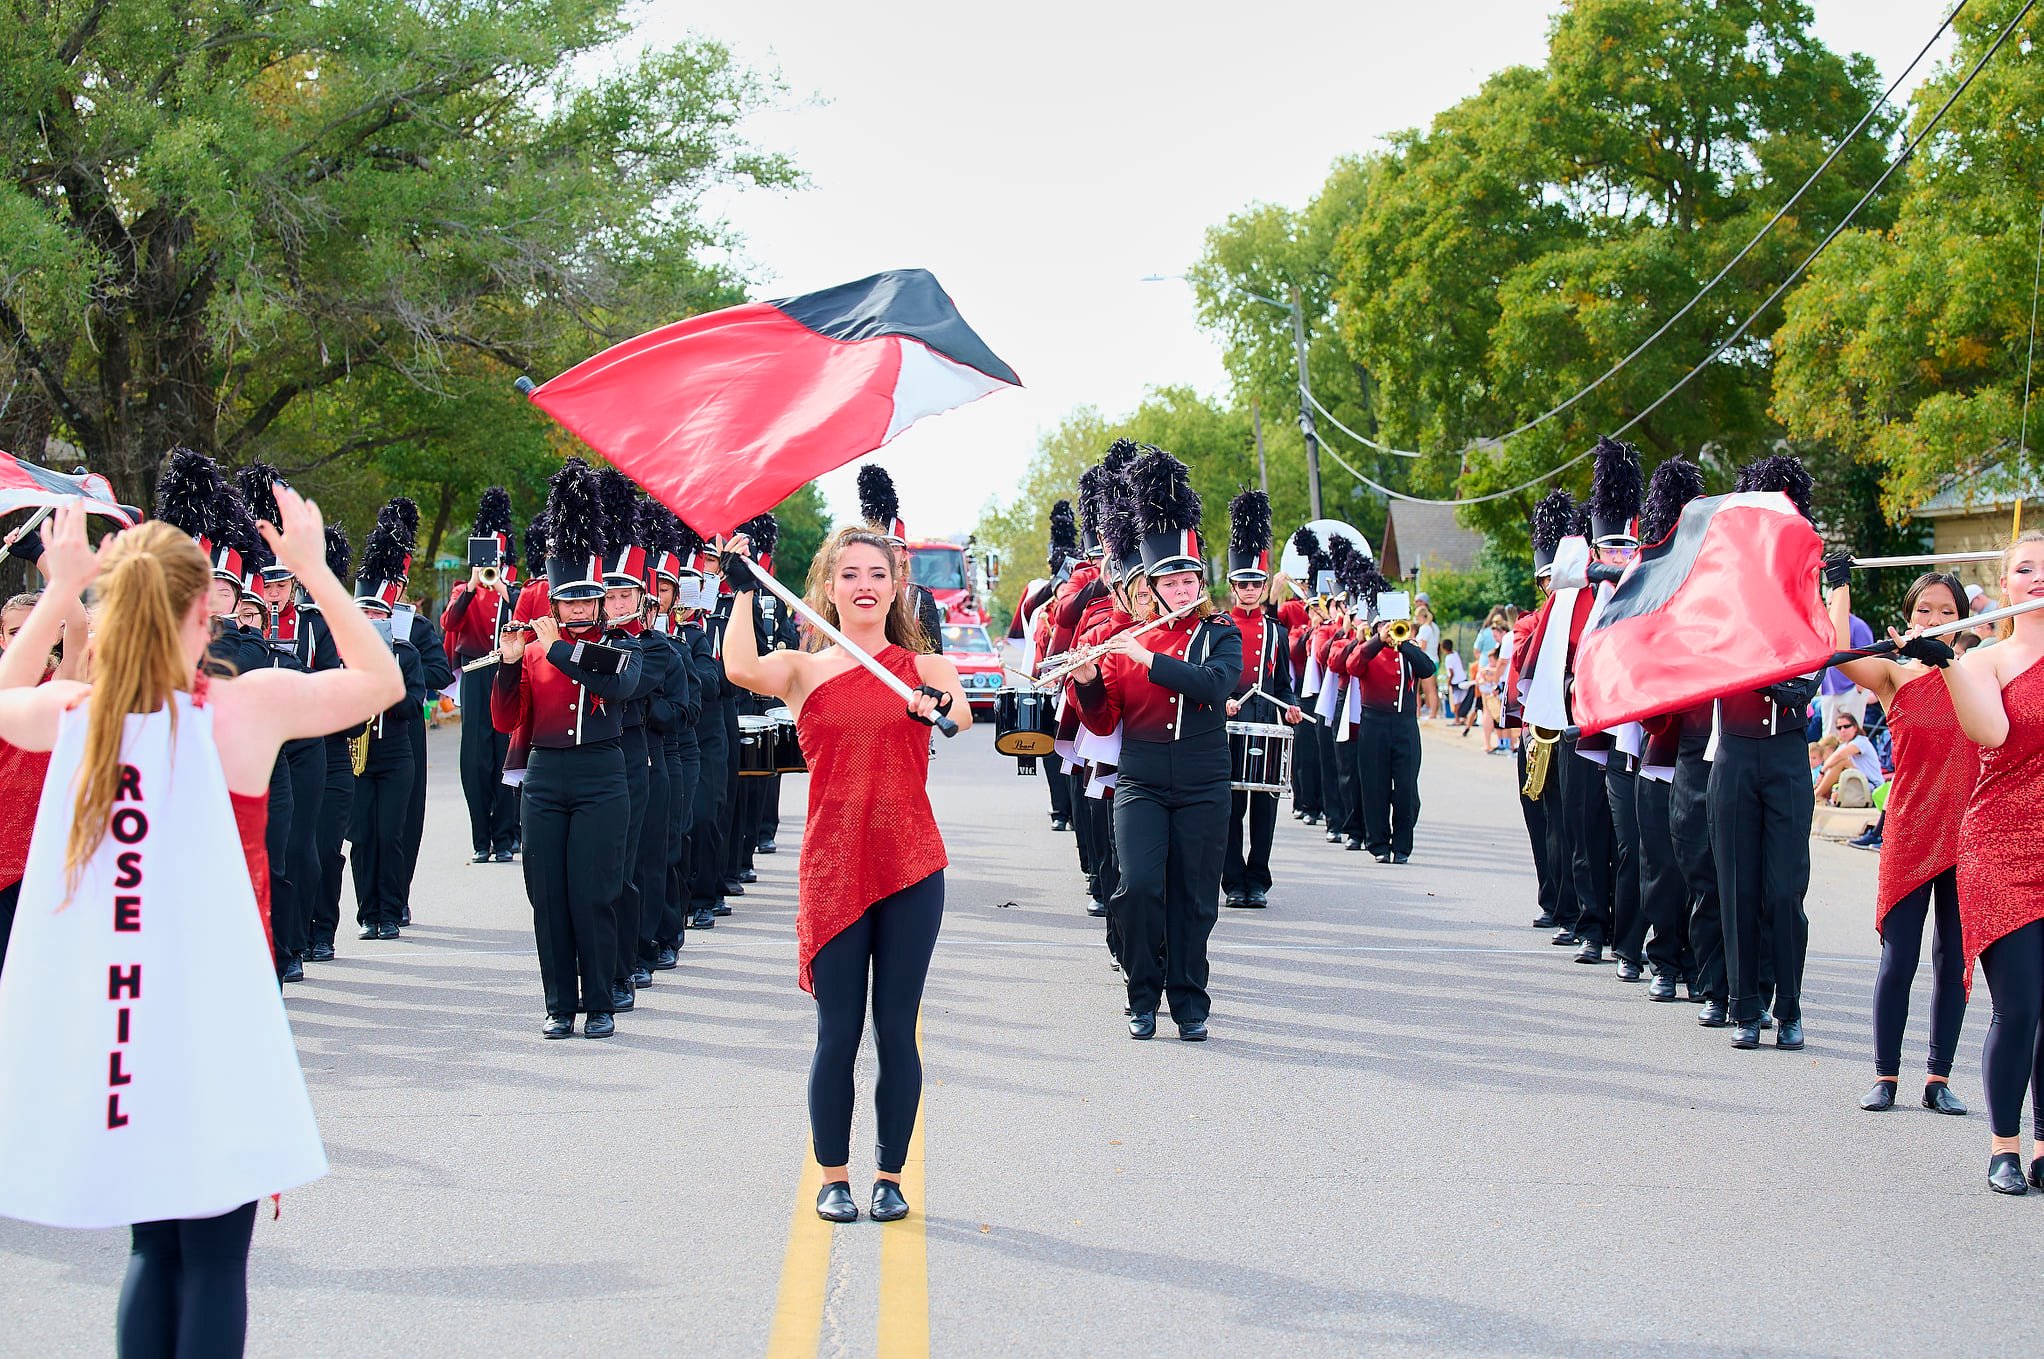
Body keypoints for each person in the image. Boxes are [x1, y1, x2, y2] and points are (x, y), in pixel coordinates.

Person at [0, 489, 400, 1359]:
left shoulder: (75, 716)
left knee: (154, 1244)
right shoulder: (242, 709)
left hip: (123, 1019)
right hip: (222, 1021)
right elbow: (383, 682)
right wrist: (314, 570)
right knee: (217, 1257)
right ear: (201, 611)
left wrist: (61, 591)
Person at [721, 525, 967, 1225]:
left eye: (878, 574)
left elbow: (964, 714)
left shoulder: (926, 669)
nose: (865, 584)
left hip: (911, 863)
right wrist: (741, 588)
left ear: (896, 587)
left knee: (896, 1026)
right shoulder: (801, 669)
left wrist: (936, 707)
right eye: (850, 573)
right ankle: (834, 1177)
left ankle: (890, 1175)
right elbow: (739, 667)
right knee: (838, 1030)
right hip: (832, 865)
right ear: (829, 586)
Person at [1068, 447, 1241, 1043]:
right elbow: (1102, 719)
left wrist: (1148, 659)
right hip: (1141, 775)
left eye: (1190, 578)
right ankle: (1141, 991)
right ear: (1154, 586)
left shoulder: (1220, 633)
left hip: (1203, 777)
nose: (1182, 587)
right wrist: (1089, 681)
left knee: (1195, 897)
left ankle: (1189, 998)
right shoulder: (1125, 639)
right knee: (1138, 885)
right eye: (1171, 580)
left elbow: (1218, 687)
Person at [492, 459, 645, 1039]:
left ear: (601, 605)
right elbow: (507, 719)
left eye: (588, 603)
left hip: (603, 775)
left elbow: (617, 685)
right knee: (548, 896)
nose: (580, 611)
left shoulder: (620, 646)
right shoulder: (533, 651)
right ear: (555, 604)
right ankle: (559, 1003)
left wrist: (555, 649)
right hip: (546, 776)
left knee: (595, 891)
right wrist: (507, 668)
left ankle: (601, 1000)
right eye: (570, 603)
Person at [1823, 564, 1974, 1116]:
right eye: (1925, 611)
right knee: (1898, 958)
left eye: (1947, 612)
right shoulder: (1892, 675)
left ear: (1964, 622)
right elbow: (1839, 653)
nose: (1935, 620)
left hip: (1966, 832)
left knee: (1954, 959)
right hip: (1910, 828)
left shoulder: (1981, 672)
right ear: (1907, 619)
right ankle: (1885, 1076)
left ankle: (1939, 1077)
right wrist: (1838, 588)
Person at [1943, 531, 2044, 1193]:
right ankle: (2003, 1146)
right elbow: (1993, 733)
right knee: (2022, 1005)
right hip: (1999, 848)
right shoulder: (1986, 659)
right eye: (2026, 568)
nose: (2038, 578)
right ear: (2004, 585)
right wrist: (1947, 664)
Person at [1712, 454, 1820, 1051]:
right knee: (1738, 887)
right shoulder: (1724, 590)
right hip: (1735, 750)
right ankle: (1744, 1004)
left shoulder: (1803, 590)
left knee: (1785, 890)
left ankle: (1790, 1005)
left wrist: (1793, 680)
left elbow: (1819, 659)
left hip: (1784, 755)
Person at [345, 506, 428, 942]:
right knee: (361, 837)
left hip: (396, 755)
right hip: (359, 755)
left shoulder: (406, 654)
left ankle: (390, 911)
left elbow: (416, 703)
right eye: (365, 614)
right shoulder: (345, 656)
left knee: (390, 833)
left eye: (378, 614)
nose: (371, 622)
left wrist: (386, 692)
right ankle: (366, 913)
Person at [1219, 490, 1301, 907]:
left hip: (1267, 723)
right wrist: (1223, 703)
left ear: (1265, 586)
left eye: (1256, 584)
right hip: (1229, 723)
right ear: (1232, 587)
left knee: (1265, 809)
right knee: (1231, 808)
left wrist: (1291, 706)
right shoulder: (1216, 627)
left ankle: (1258, 880)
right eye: (1243, 584)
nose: (1250, 590)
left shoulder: (1276, 631)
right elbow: (1210, 680)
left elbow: (1283, 682)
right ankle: (1233, 881)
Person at [441, 487, 520, 864]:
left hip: (506, 672)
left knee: (504, 753)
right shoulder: (464, 590)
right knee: (475, 759)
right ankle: (480, 837)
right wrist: (473, 587)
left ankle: (504, 836)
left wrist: (507, 591)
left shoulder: (514, 591)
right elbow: (450, 622)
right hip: (476, 674)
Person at [1337, 566, 1435, 864]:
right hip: (1374, 723)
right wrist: (1378, 640)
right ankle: (1378, 843)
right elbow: (1352, 666)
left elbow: (1428, 669)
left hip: (1404, 724)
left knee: (1406, 788)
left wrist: (1404, 644)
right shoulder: (1370, 649)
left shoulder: (1409, 649)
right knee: (1375, 785)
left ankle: (1402, 844)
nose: (1393, 629)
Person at [1814, 710, 1885, 807]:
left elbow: (1839, 756)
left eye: (1846, 726)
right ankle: (1818, 794)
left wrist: (1822, 771)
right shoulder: (1843, 746)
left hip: (1873, 786)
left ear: (1855, 727)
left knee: (1842, 762)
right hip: (1856, 785)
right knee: (1838, 764)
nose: (1842, 730)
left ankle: (1816, 795)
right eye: (1839, 728)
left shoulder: (1861, 741)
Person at [1413, 600, 1441, 719]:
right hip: (1434, 658)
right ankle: (1433, 711)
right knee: (1432, 688)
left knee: (1430, 689)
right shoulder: (1434, 627)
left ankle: (1432, 713)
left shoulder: (1425, 628)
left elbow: (1422, 646)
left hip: (1427, 660)